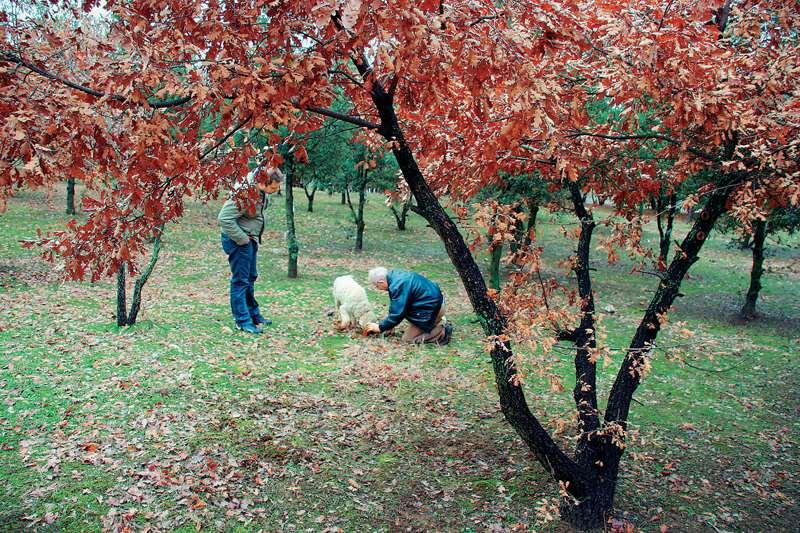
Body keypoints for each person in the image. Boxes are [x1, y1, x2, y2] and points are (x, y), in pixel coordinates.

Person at [218, 164, 284, 334]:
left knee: (250, 277)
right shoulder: (244, 194)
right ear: (262, 182)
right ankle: (242, 321)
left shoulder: (260, 192)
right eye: (273, 187)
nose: (275, 191)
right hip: (239, 241)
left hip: (250, 239)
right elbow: (224, 219)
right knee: (240, 281)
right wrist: (242, 240)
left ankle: (253, 314)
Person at [363, 267, 453, 344]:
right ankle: (435, 322)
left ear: (381, 282)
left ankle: (442, 332)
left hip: (432, 310)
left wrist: (380, 327)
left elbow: (398, 313)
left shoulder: (397, 286)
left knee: (407, 339)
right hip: (434, 303)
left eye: (376, 286)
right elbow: (396, 307)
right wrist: (388, 326)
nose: (377, 289)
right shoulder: (395, 276)